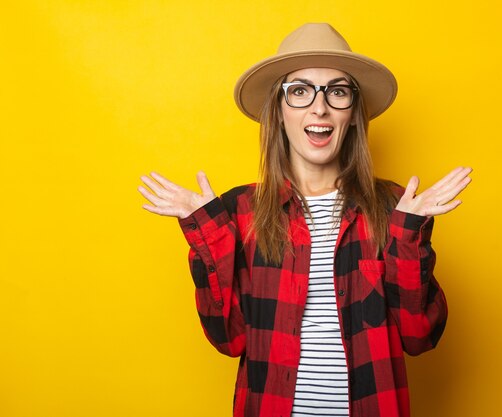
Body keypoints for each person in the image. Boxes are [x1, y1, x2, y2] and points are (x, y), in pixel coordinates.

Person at [138, 23, 471, 417]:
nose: (319, 107)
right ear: (278, 112)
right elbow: (230, 340)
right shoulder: (240, 211)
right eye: (299, 91)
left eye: (337, 91)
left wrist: (407, 236)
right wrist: (211, 235)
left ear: (353, 114)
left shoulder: (396, 208)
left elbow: (420, 336)